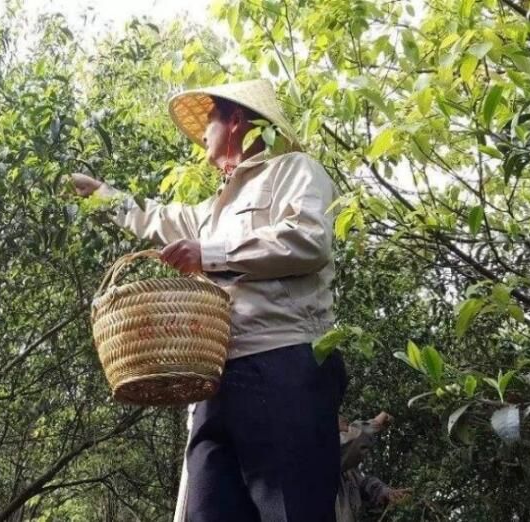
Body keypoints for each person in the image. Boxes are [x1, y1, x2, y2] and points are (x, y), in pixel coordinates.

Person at [70, 78, 346, 521]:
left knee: (294, 511)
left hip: (283, 362)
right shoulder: (214, 207)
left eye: (211, 120)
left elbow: (308, 242)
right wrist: (99, 195)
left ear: (235, 119)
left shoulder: (294, 170)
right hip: (216, 379)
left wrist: (210, 254)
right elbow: (158, 218)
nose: (203, 134)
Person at [337, 412, 411, 521]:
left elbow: (363, 485)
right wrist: (373, 424)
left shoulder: (347, 471)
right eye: (345, 431)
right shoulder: (316, 456)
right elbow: (340, 449)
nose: (348, 431)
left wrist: (386, 492)